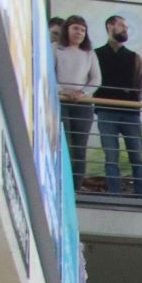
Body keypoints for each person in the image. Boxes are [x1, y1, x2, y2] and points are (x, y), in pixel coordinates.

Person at [92, 15, 142, 197]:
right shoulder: (96, 55)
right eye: (121, 25)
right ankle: (114, 194)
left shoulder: (134, 57)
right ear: (110, 26)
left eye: (126, 26)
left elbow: (139, 86)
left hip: (130, 113)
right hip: (106, 112)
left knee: (137, 157)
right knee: (111, 157)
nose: (125, 29)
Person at [55, 17, 101, 174]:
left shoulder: (89, 53)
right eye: (75, 28)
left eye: (82, 30)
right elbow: (48, 74)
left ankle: (76, 185)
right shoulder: (55, 48)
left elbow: (96, 79)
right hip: (61, 101)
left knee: (79, 147)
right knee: (64, 143)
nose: (79, 32)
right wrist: (61, 90)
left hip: (82, 104)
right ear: (67, 29)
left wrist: (83, 92)